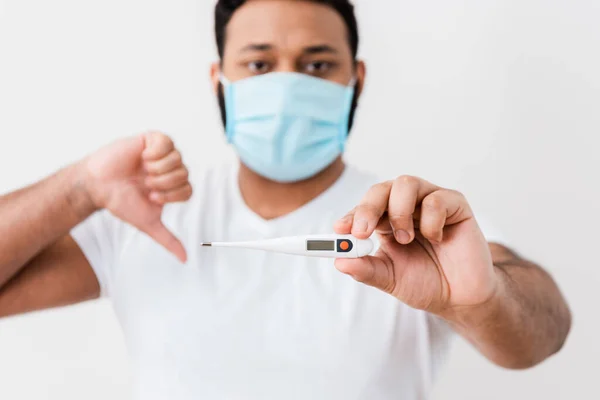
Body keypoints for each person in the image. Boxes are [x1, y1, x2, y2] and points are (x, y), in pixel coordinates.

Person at [0, 0, 571, 399]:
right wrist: (78, 190)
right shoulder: (142, 215)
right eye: (258, 64)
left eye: (318, 64)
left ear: (358, 79)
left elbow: (545, 334)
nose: (287, 83)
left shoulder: (415, 226)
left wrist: (479, 299)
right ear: (218, 80)